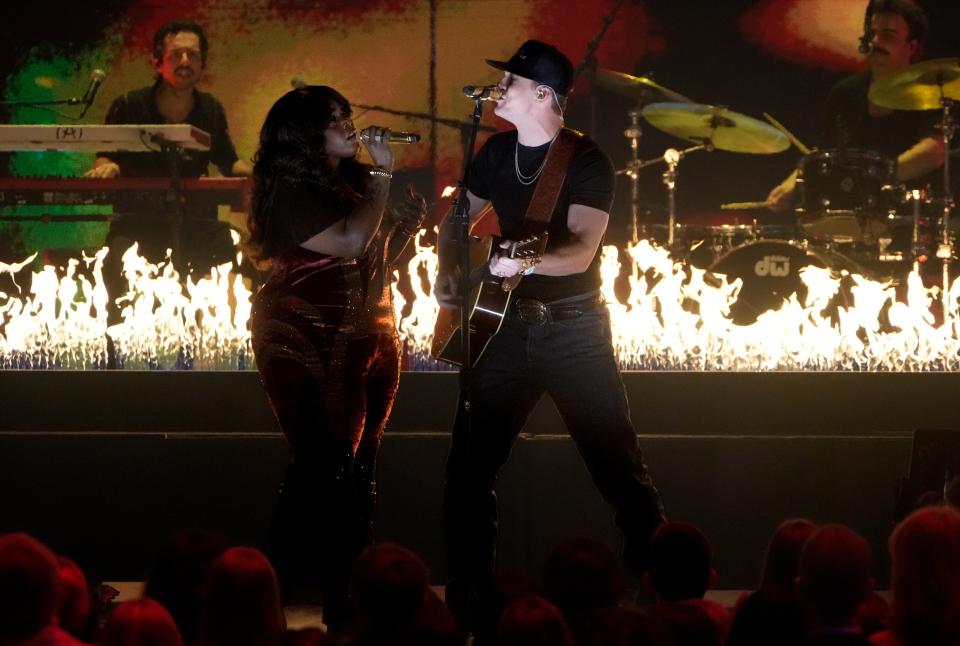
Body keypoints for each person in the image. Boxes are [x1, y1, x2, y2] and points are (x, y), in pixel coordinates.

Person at [434, 39, 665, 641]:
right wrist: (450, 270)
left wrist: (522, 263)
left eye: (509, 81)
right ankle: (468, 599)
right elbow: (459, 217)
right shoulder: (494, 151)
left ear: (542, 94)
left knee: (618, 465)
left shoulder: (587, 161)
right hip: (503, 326)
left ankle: (662, 591)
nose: (498, 90)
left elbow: (581, 253)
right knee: (469, 468)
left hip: (574, 331)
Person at [248, 85, 425, 629]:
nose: (349, 125)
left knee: (360, 468)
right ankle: (264, 599)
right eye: (333, 119)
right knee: (322, 468)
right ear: (302, 135)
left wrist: (398, 206)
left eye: (347, 114)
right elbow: (348, 243)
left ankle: (348, 600)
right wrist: (386, 175)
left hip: (367, 337)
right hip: (308, 337)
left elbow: (377, 252)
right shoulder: (289, 189)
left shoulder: (350, 183)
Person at [86, 20, 252, 291]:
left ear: (202, 64)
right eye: (176, 55)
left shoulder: (210, 109)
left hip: (196, 222)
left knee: (236, 249)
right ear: (157, 62)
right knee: (115, 263)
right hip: (137, 223)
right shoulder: (129, 105)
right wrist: (109, 168)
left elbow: (229, 161)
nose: (185, 61)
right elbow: (105, 158)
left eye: (193, 55)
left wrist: (261, 171)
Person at [766, 0, 943, 211]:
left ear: (911, 47)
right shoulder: (845, 92)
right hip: (852, 214)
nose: (876, 42)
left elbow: (934, 152)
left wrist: (874, 175)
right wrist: (792, 182)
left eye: (888, 35)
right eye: (872, 33)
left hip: (912, 217)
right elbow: (824, 150)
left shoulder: (931, 92)